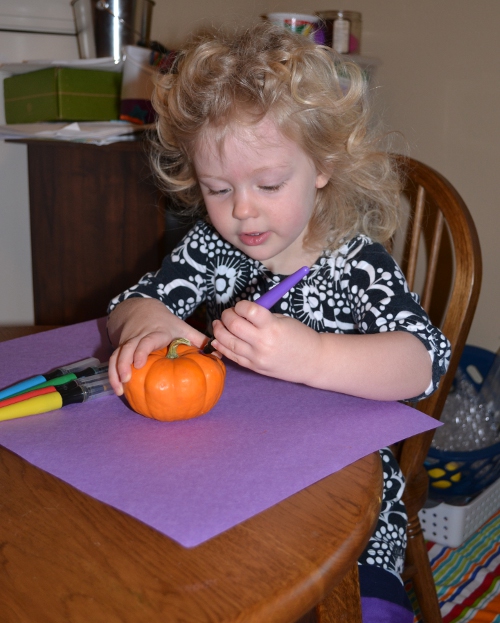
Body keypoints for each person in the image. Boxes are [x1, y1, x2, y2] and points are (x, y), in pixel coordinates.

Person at [107, 21, 450, 622]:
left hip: (348, 493)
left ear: (322, 166)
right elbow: (130, 304)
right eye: (218, 189)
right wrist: (148, 325)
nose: (242, 210)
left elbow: (425, 360)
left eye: (268, 184)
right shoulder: (212, 250)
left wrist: (314, 356)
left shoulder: (354, 262)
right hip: (233, 474)